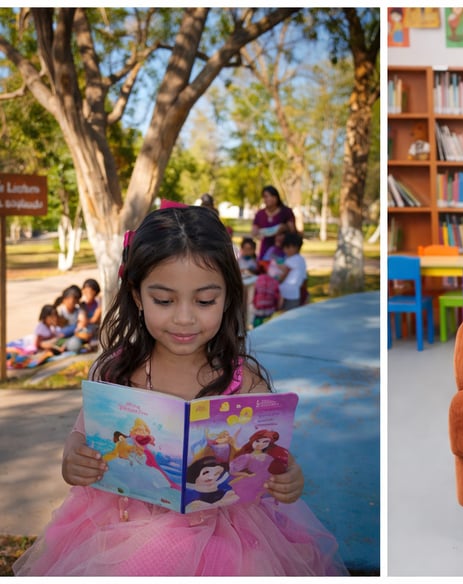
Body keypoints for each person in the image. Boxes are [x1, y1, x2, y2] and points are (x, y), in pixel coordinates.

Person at [13, 206, 347, 577]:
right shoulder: (117, 371)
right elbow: (82, 435)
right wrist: (73, 457)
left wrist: (288, 478)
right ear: (137, 296)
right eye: (164, 300)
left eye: (204, 301)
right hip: (120, 527)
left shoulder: (245, 381)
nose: (184, 318)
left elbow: (272, 458)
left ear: (228, 297)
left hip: (228, 536)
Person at [251, 185, 295, 260]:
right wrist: (257, 233)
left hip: (283, 251)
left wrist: (284, 228)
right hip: (265, 250)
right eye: (265, 197)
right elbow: (254, 231)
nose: (267, 199)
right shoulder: (260, 214)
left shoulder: (286, 212)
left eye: (269, 196)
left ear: (276, 197)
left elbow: (292, 230)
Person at [66, 278, 102, 352]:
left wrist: (83, 322)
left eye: (90, 292)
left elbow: (94, 320)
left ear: (95, 292)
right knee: (73, 344)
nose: (87, 295)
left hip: (95, 330)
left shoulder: (99, 303)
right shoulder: (83, 305)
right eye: (85, 292)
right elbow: (81, 322)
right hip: (83, 331)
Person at [275, 231, 307, 312]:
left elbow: (284, 274)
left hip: (287, 292)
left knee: (286, 313)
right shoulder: (301, 259)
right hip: (295, 292)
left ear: (296, 247)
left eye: (288, 247)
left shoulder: (292, 260)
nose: (286, 250)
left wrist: (277, 281)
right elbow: (304, 278)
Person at [252, 261, 282, 327]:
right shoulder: (275, 282)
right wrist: (277, 308)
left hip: (258, 311)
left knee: (257, 328)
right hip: (270, 312)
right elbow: (279, 299)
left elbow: (254, 295)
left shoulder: (257, 280)